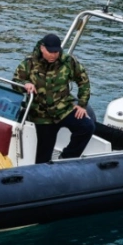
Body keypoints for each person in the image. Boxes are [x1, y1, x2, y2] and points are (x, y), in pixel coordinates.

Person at [14, 33, 94, 164]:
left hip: (64, 109)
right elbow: (15, 82)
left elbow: (83, 81)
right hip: (42, 115)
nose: (53, 55)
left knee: (87, 127)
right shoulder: (28, 63)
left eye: (56, 52)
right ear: (42, 48)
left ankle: (67, 157)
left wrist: (82, 104)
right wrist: (25, 85)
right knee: (43, 158)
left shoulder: (68, 61)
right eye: (50, 52)